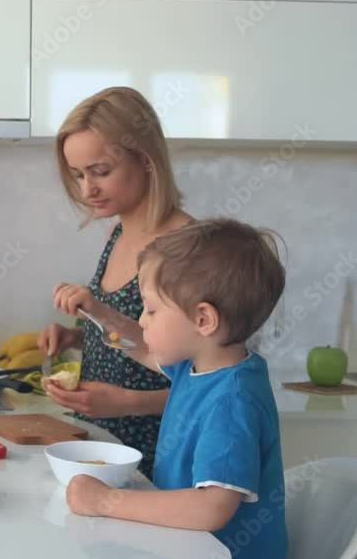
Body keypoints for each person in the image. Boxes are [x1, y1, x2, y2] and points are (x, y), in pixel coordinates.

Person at [59, 218, 288, 559]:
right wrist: (99, 313)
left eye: (151, 309)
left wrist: (106, 501)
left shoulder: (232, 401)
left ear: (203, 320)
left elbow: (212, 507)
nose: (142, 320)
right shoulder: (203, 365)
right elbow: (143, 345)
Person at [37, 86, 193, 477]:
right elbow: (129, 329)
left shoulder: (187, 247)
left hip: (155, 457)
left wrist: (125, 402)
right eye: (77, 175)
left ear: (145, 160)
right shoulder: (116, 235)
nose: (87, 188)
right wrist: (78, 335)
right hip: (101, 448)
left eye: (101, 171)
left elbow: (207, 382)